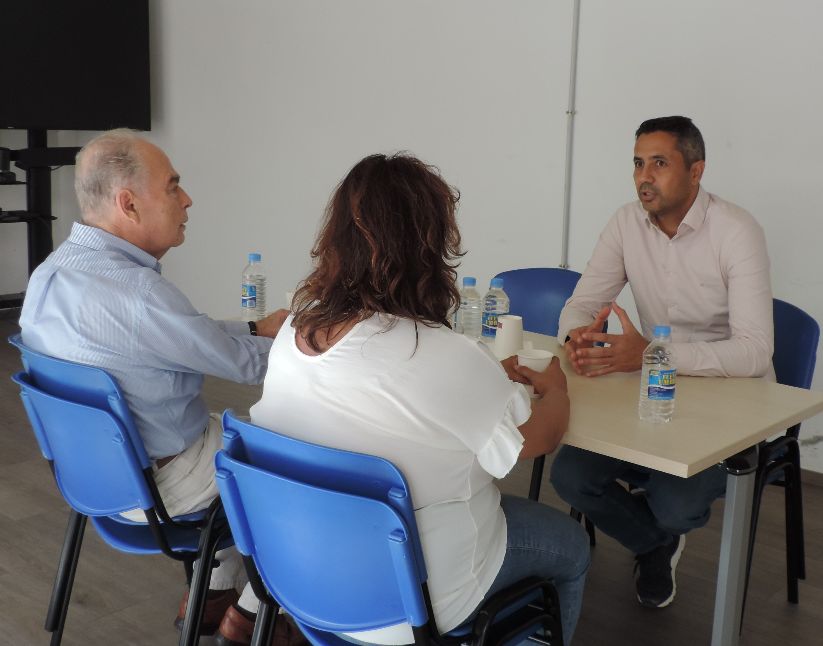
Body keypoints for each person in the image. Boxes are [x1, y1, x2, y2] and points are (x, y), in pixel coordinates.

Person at [249, 153, 591, 644]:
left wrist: (480, 382)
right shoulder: (442, 353)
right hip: (416, 599)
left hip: (303, 575)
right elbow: (537, 439)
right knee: (572, 547)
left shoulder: (294, 333)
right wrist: (556, 391)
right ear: (430, 244)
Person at [18, 129, 289, 642]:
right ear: (129, 204)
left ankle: (212, 591)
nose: (187, 200)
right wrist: (330, 349)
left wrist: (253, 328)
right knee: (303, 454)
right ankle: (254, 611)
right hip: (166, 486)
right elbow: (250, 369)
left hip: (94, 477)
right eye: (173, 186)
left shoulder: (49, 275)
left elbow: (175, 338)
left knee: (235, 433)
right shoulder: (141, 294)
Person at [550, 115, 774, 609]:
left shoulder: (736, 230)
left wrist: (652, 353)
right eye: (637, 163)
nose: (643, 177)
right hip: (648, 391)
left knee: (674, 506)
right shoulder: (625, 222)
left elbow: (756, 351)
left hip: (728, 402)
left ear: (696, 172)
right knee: (569, 476)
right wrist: (578, 335)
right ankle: (655, 546)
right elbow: (582, 302)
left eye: (659, 163)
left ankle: (661, 531)